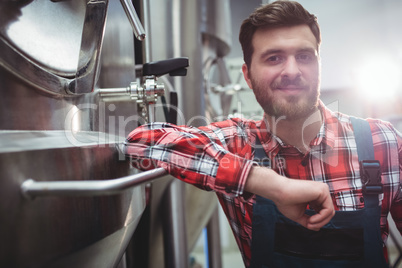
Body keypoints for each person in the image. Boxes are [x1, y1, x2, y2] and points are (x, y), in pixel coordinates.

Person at [124, 1, 402, 267]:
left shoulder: (383, 142)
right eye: (274, 58)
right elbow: (140, 142)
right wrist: (267, 183)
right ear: (247, 75)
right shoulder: (236, 143)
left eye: (304, 56)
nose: (292, 71)